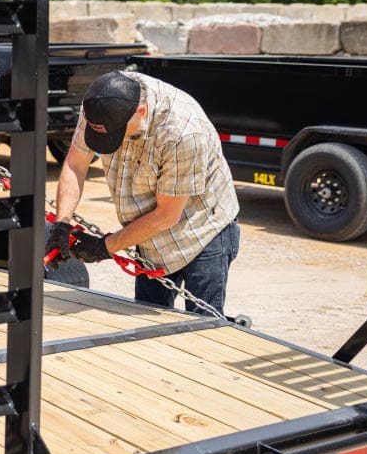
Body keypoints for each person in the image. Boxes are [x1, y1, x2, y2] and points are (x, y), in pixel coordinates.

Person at [46, 70, 240, 315]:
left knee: (201, 327)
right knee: (144, 326)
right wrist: (61, 225)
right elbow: (75, 165)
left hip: (201, 232)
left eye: (117, 134)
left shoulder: (183, 132)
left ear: (141, 112)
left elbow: (167, 216)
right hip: (148, 236)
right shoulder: (102, 102)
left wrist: (104, 247)